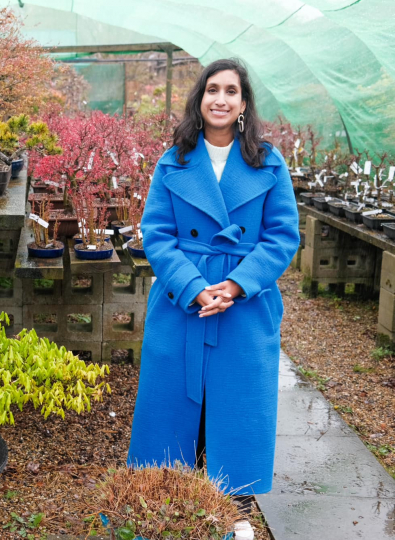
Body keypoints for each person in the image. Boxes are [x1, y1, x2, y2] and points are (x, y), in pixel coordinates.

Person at [127, 59, 300, 504]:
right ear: (199, 99)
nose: (220, 99)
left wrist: (239, 284)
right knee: (174, 407)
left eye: (231, 91)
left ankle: (235, 504)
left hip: (244, 306)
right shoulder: (175, 161)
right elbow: (158, 235)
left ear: (244, 103)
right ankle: (167, 503)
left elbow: (283, 236)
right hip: (183, 302)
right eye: (212, 90)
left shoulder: (268, 161)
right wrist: (193, 286)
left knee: (237, 408)